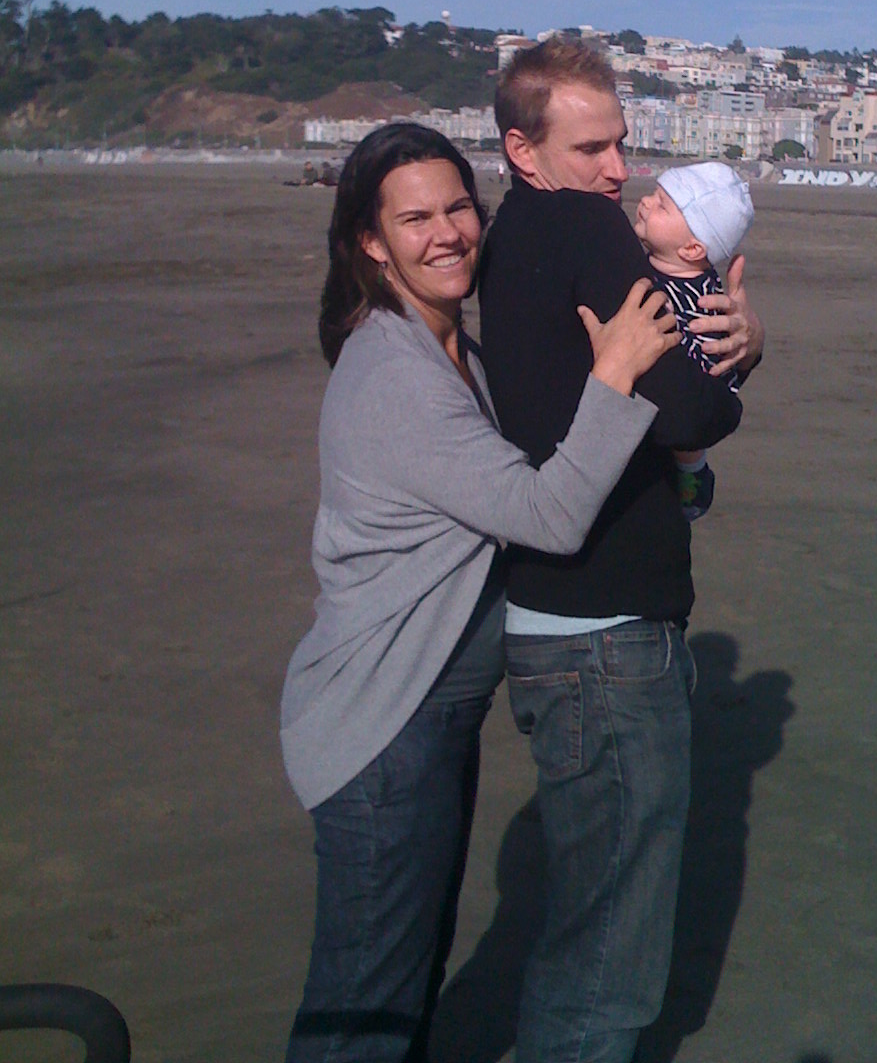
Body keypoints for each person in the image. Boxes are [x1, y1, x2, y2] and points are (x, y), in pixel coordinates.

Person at [280, 121, 681, 1063]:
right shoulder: (395, 375)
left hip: (423, 722)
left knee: (402, 980)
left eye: (459, 206)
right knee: (364, 1007)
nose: (447, 232)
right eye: (414, 218)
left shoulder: (456, 352)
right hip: (382, 727)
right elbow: (545, 514)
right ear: (371, 243)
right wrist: (617, 372)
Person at [477, 39, 765, 1063]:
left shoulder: (514, 236)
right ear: (523, 147)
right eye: (591, 146)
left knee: (585, 911)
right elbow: (692, 407)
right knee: (610, 953)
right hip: (603, 630)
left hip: (550, 615)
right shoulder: (586, 231)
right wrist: (737, 362)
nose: (616, 170)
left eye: (621, 145)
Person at [633, 161, 755, 521]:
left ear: (691, 249)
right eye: (653, 194)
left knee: (687, 452)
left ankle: (693, 478)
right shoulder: (658, 265)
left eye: (661, 205)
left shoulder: (698, 301)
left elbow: (704, 372)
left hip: (694, 403)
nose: (644, 202)